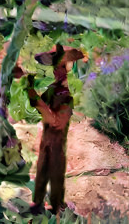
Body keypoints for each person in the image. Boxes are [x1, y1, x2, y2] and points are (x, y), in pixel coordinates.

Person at [16, 43, 85, 215]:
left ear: (67, 69)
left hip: (56, 143)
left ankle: (57, 207)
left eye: (60, 67)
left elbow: (54, 120)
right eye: (55, 67)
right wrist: (30, 89)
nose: (56, 70)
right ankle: (38, 203)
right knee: (41, 172)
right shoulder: (51, 91)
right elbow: (38, 107)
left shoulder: (66, 97)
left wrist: (34, 96)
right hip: (46, 141)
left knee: (55, 175)